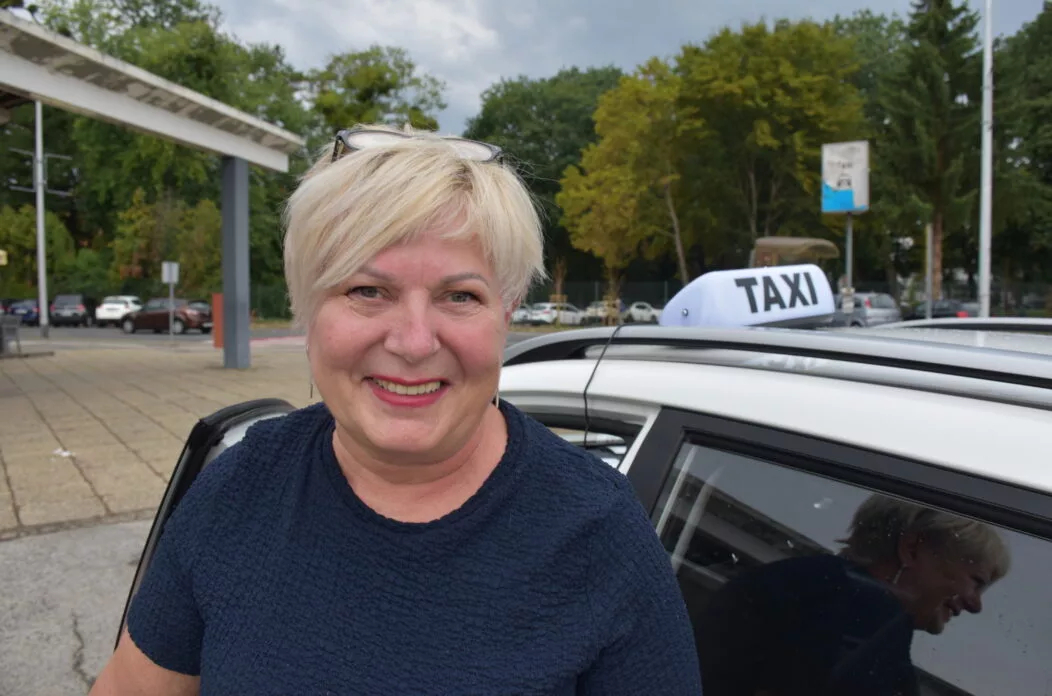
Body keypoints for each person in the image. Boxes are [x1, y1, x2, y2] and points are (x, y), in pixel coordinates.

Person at [90, 124, 702, 695]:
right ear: (308, 310)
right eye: (367, 291)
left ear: (506, 314)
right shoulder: (240, 490)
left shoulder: (599, 536)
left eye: (459, 296)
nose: (413, 342)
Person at [694, 494, 1011, 696]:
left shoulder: (815, 589)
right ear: (912, 549)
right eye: (976, 581)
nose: (976, 604)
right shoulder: (862, 612)